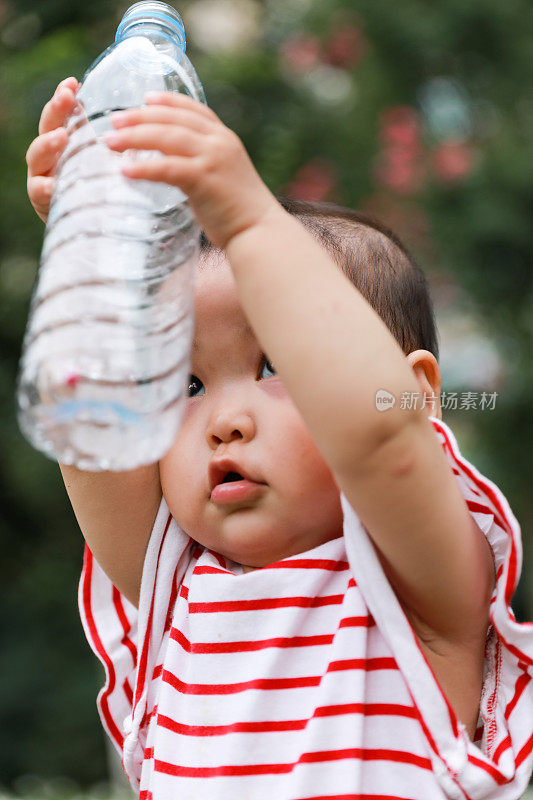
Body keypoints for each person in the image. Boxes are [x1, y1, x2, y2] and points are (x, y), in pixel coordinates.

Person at [26, 77, 533, 800]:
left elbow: (378, 436)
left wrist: (248, 218)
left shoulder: (417, 592)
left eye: (274, 366)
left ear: (414, 391)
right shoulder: (174, 593)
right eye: (187, 386)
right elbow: (96, 434)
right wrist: (92, 250)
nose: (223, 420)